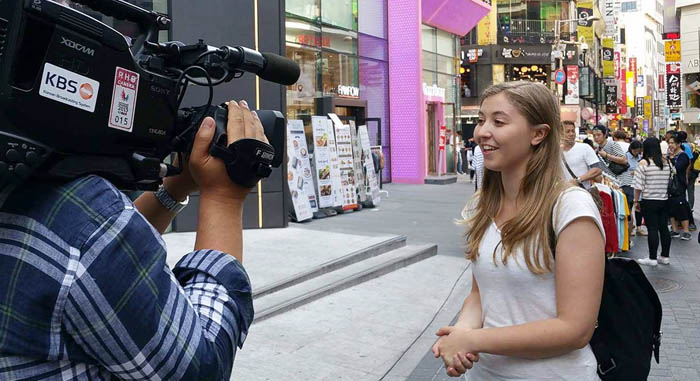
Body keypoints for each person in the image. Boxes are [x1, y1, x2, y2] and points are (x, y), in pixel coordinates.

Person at [0, 101, 264, 379]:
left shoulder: (45, 201)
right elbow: (201, 367)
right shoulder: (83, 214)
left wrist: (175, 186)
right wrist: (224, 195)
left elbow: (100, 262)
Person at [433, 81, 605, 379]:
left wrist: (473, 339)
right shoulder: (482, 206)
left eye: (498, 122)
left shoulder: (570, 208)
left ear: (538, 134)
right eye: (481, 120)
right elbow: (480, 293)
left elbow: (575, 329)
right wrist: (461, 333)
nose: (482, 132)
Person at [633, 137, 673, 266]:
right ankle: (665, 256)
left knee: (652, 229)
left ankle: (652, 258)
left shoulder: (644, 163)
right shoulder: (666, 162)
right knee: (664, 229)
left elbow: (638, 186)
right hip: (664, 200)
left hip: (649, 200)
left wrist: (636, 201)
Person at [560, 120, 602, 189]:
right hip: (563, 192)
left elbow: (597, 169)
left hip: (582, 192)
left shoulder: (585, 148)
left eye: (573, 131)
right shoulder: (556, 152)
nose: (571, 134)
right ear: (560, 133)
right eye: (568, 131)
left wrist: (578, 180)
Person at [667, 135, 692, 241]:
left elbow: (677, 168)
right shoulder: (670, 156)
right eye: (669, 143)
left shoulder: (683, 156)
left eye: (672, 143)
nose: (670, 145)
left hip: (679, 185)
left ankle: (686, 231)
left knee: (681, 206)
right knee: (671, 207)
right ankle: (675, 229)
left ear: (678, 144)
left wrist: (671, 159)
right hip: (670, 185)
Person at [626, 141, 647, 236]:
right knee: (629, 206)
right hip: (628, 184)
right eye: (635, 150)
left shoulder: (640, 158)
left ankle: (638, 227)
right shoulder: (625, 157)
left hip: (639, 184)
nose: (636, 153)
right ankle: (630, 227)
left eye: (638, 151)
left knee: (639, 205)